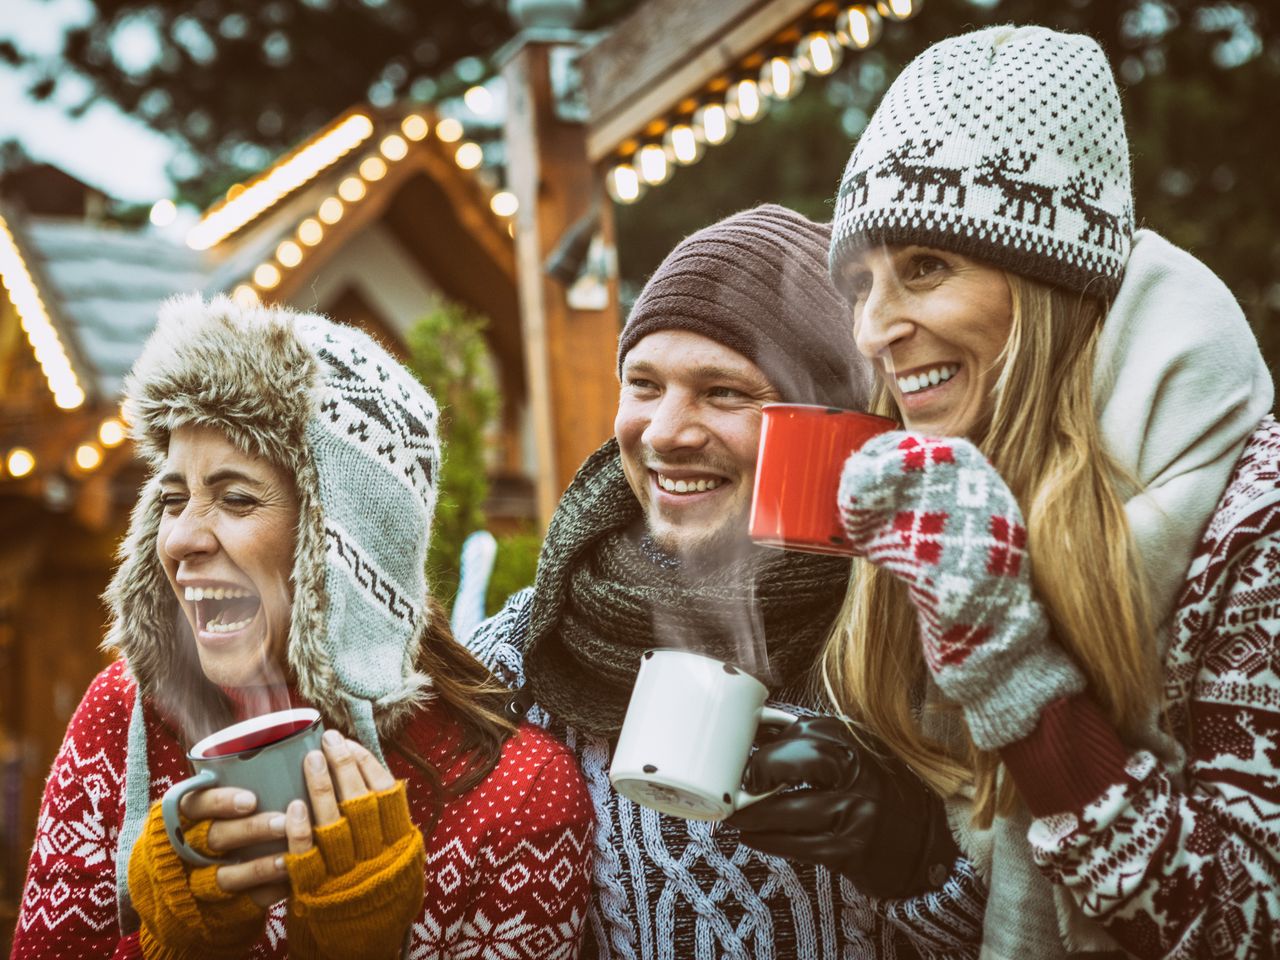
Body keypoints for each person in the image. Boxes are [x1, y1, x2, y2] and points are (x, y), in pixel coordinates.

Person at [746, 23, 1277, 959]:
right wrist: (905, 855)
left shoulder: (1253, 513)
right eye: (863, 284)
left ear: (1048, 281)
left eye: (925, 268)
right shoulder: (950, 499)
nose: (873, 331)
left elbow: (1241, 925)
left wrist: (1017, 681)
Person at [467, 204, 989, 959]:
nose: (667, 432)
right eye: (643, 385)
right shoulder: (532, 642)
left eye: (725, 393)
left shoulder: (931, 622)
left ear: (833, 417)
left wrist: (924, 865)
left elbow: (1074, 927)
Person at [11, 296, 595, 959]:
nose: (180, 539)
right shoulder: (125, 718)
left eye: (235, 497)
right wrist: (168, 947)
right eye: (172, 499)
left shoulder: (517, 795)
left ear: (349, 540)